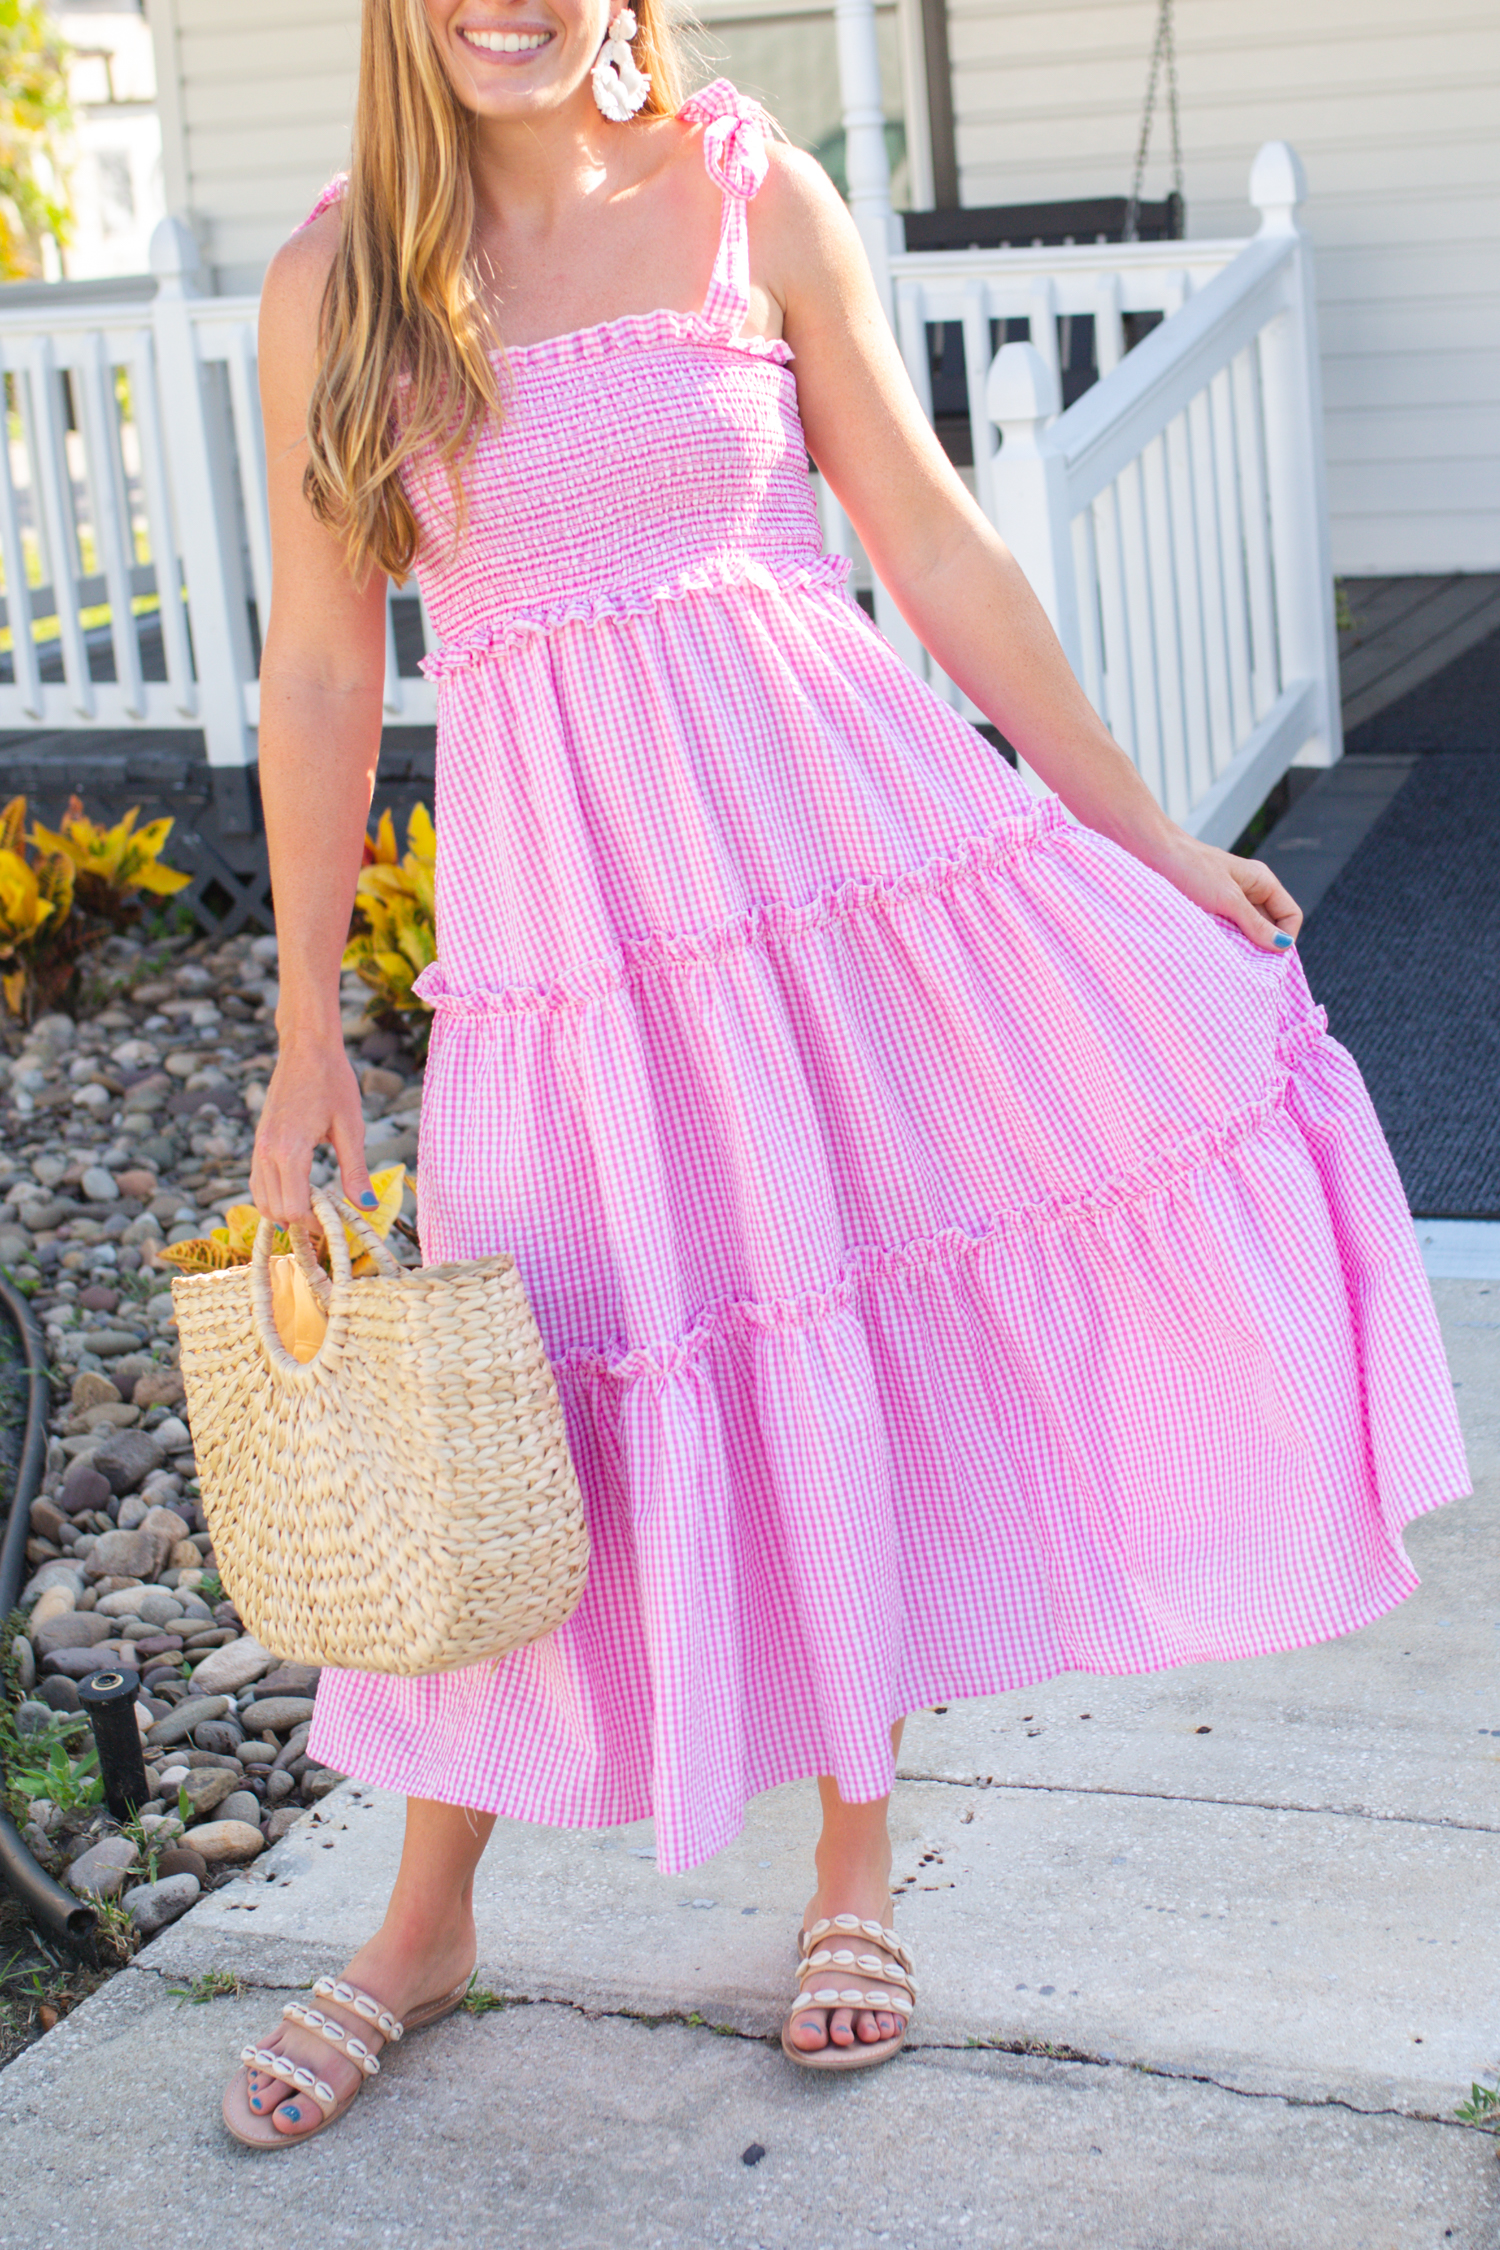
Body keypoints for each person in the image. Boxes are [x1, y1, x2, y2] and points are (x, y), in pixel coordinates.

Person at [227, 0, 1468, 2146]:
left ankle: (852, 1858)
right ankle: (424, 1915)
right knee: (521, 1393)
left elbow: (938, 547)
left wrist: (1144, 835)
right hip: (574, 938)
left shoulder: (746, 195)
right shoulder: (341, 275)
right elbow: (326, 663)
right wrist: (307, 1023)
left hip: (838, 870)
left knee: (834, 1336)